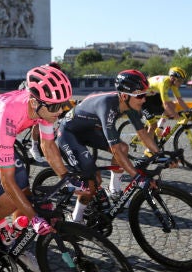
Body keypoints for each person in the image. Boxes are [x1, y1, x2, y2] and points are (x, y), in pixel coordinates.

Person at [0, 65, 75, 272]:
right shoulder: (10, 113)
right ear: (34, 102)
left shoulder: (44, 107)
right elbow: (7, 179)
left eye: (64, 105)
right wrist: (34, 218)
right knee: (10, 199)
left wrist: (67, 176)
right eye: (54, 107)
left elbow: (48, 146)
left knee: (25, 194)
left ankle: (13, 241)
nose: (59, 112)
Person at [55, 69, 160, 224]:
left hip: (88, 130)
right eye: (140, 95)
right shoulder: (107, 106)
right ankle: (75, 220)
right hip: (69, 133)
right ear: (124, 96)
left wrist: (160, 154)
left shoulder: (130, 106)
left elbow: (143, 134)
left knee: (124, 148)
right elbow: (114, 149)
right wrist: (137, 177)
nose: (144, 99)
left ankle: (114, 189)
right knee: (92, 182)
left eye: (145, 94)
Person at [144, 67, 192, 139]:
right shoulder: (163, 83)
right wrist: (177, 117)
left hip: (152, 94)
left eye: (182, 81)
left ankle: (159, 127)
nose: (181, 83)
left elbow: (179, 99)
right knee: (152, 125)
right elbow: (165, 105)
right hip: (143, 97)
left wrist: (188, 110)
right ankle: (149, 146)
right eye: (179, 81)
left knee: (172, 105)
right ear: (173, 78)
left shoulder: (173, 83)